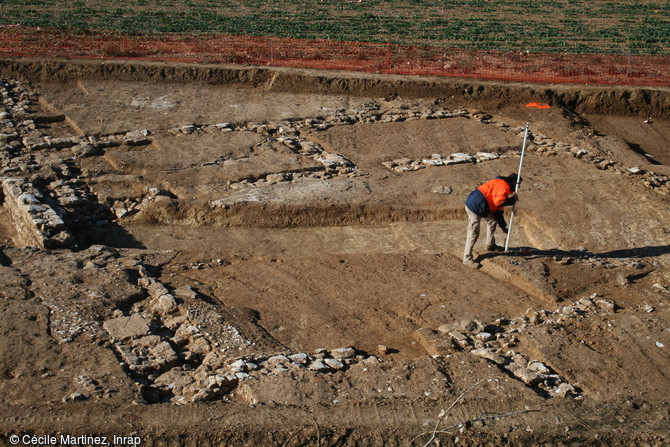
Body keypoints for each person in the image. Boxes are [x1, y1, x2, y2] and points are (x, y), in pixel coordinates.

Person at [463, 174, 520, 269]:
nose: (519, 187)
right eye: (518, 185)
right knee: (474, 232)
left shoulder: (502, 187)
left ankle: (490, 245)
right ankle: (467, 258)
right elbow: (498, 202)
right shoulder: (504, 185)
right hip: (474, 206)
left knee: (492, 221)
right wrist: (511, 200)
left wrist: (503, 226)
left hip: (483, 205)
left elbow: (498, 212)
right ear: (514, 182)